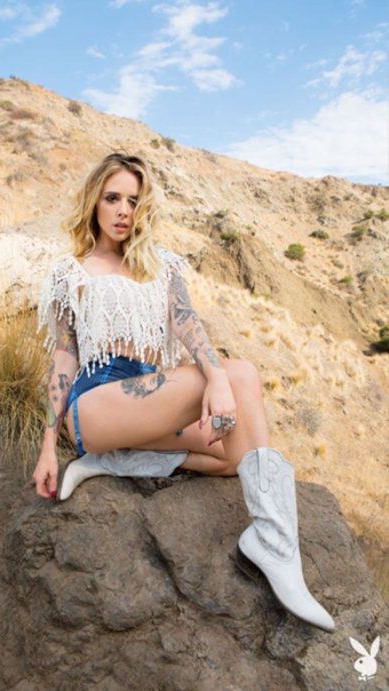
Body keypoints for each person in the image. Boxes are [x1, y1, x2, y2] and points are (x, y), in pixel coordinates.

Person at [33, 152, 335, 633]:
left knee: (231, 455)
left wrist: (215, 378)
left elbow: (186, 323)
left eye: (134, 200)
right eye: (112, 198)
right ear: (94, 202)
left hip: (148, 403)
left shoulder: (163, 266)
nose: (123, 210)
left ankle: (114, 463)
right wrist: (49, 446)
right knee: (240, 375)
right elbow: (64, 359)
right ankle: (277, 546)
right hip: (95, 404)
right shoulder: (72, 273)